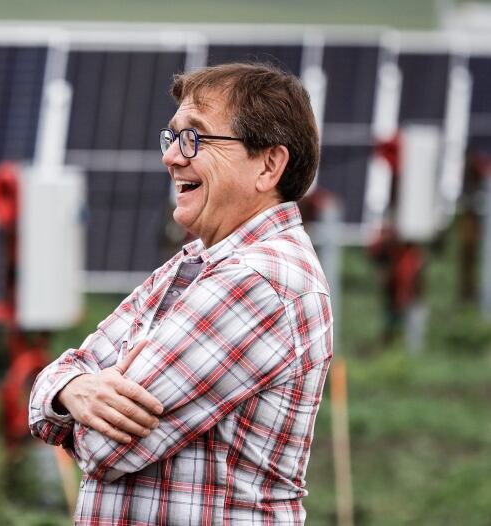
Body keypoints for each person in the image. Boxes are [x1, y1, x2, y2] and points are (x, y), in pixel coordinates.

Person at [29, 62, 332, 525]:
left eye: (196, 138)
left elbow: (104, 448)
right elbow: (51, 390)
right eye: (171, 138)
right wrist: (71, 388)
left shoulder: (259, 281)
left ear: (269, 165)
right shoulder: (192, 264)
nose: (171, 157)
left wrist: (73, 398)